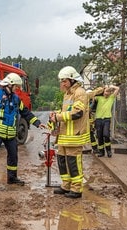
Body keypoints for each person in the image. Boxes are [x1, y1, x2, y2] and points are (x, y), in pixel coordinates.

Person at [0, 73, 47, 190]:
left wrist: (38, 123)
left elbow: (26, 112)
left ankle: (12, 178)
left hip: (10, 134)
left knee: (13, 156)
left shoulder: (16, 99)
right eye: (16, 86)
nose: (17, 89)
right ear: (10, 84)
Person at [49, 66, 90, 199]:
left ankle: (76, 188)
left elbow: (78, 112)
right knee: (62, 161)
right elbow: (67, 111)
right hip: (64, 135)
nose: (62, 84)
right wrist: (56, 114)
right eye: (61, 81)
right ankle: (66, 185)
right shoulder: (67, 93)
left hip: (74, 135)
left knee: (73, 162)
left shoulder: (80, 92)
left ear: (72, 80)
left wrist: (59, 117)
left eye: (64, 81)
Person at [93, 84, 119, 157]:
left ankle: (109, 150)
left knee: (106, 135)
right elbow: (92, 95)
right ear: (103, 92)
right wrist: (101, 89)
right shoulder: (99, 98)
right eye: (105, 91)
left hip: (106, 119)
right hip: (98, 119)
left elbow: (117, 88)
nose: (107, 93)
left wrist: (112, 86)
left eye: (108, 92)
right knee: (99, 136)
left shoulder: (111, 98)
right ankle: (101, 152)